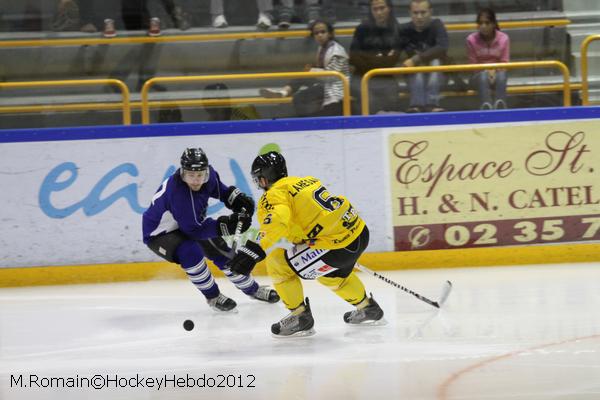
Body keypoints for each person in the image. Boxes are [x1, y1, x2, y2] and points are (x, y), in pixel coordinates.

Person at [226, 151, 384, 337]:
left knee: (277, 262)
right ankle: (367, 308)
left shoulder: (274, 194)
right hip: (358, 232)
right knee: (330, 275)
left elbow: (277, 221)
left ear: (262, 179)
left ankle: (300, 316)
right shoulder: (306, 181)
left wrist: (253, 249)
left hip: (335, 246)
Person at [142, 148, 280, 312]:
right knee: (191, 251)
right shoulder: (178, 194)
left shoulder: (209, 176)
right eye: (190, 175)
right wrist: (227, 225)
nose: (195, 180)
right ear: (182, 173)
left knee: (224, 253)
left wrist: (238, 201)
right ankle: (213, 296)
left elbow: (222, 192)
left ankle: (253, 289)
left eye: (200, 175)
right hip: (160, 234)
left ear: (206, 172)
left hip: (189, 224)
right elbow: (194, 231)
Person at [259, 20, 350, 117]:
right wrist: (311, 70)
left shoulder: (337, 52)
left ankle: (284, 93)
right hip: (324, 83)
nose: (319, 35)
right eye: (316, 33)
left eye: (323, 32)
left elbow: (331, 77)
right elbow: (322, 70)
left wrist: (311, 71)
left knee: (299, 97)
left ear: (330, 34)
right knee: (302, 76)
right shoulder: (322, 48)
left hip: (335, 87)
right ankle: (283, 92)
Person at [349, 0, 403, 114]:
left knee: (392, 100)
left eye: (382, 8)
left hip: (385, 78)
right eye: (375, 9)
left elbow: (391, 62)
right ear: (371, 10)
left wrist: (367, 57)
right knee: (370, 101)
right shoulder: (362, 29)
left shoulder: (397, 30)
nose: (379, 12)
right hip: (360, 77)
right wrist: (380, 60)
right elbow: (353, 57)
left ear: (389, 9)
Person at [398, 0, 449, 112]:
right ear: (410, 13)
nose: (419, 16)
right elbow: (396, 50)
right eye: (415, 13)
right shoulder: (404, 29)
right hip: (413, 75)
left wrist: (416, 59)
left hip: (438, 74)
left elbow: (442, 47)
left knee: (434, 61)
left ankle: (432, 103)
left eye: (423, 12)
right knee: (418, 68)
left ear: (430, 12)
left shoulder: (437, 24)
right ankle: (416, 105)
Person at [466, 8, 510, 110]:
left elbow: (504, 63)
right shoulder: (471, 40)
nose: (483, 26)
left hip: (498, 74)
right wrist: (487, 72)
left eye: (487, 23)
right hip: (478, 76)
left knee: (502, 76)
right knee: (482, 76)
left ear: (494, 24)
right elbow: (473, 66)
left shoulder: (504, 38)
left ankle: (500, 105)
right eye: (480, 23)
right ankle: (486, 107)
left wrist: (494, 72)